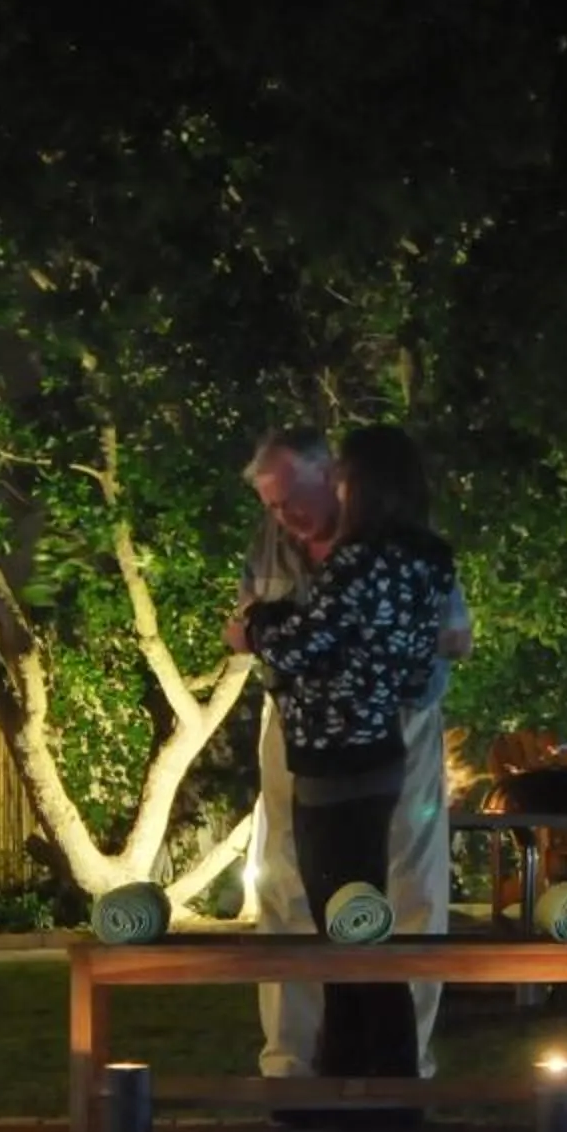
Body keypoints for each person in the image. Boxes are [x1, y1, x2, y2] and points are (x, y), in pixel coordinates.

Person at [236, 430, 473, 1078]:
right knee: (304, 891)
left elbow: (449, 636)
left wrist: (282, 634)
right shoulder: (288, 546)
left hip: (379, 734)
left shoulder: (378, 555)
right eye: (271, 505)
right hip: (308, 735)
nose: (284, 516)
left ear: (336, 478)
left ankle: (390, 1070)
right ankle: (309, 1064)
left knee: (384, 894)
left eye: (292, 499)